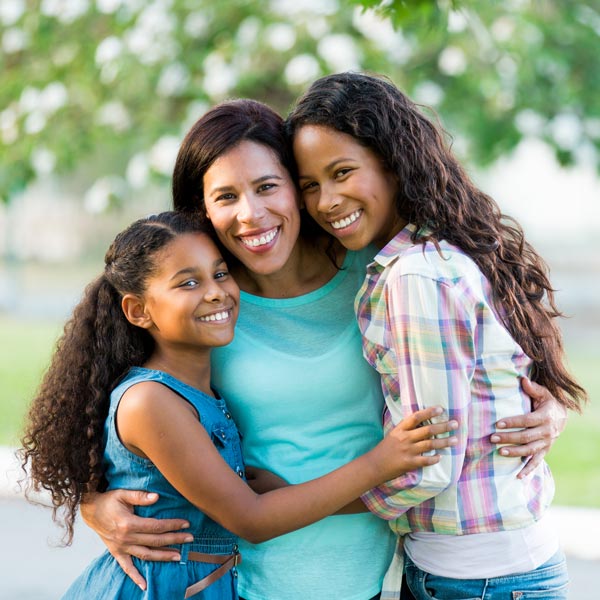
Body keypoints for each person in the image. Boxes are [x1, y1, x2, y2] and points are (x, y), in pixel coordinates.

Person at [79, 100, 568, 600]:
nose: (251, 213)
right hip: (253, 576)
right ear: (201, 209)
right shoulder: (203, 306)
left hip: (372, 573)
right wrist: (91, 500)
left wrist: (549, 401)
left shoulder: (375, 265)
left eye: (268, 186)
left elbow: (502, 319)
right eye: (226, 196)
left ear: (297, 186)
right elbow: (113, 405)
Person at [20, 210, 459, 599]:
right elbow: (251, 518)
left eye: (220, 273)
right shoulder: (150, 401)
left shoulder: (199, 389)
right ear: (138, 311)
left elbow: (246, 499)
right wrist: (381, 463)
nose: (215, 293)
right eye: (188, 282)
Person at [286, 71, 587, 599]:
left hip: (480, 579)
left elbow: (428, 462)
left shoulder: (415, 275)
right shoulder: (439, 249)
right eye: (310, 185)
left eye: (342, 172)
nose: (326, 201)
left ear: (393, 163)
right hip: (484, 567)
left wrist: (299, 502)